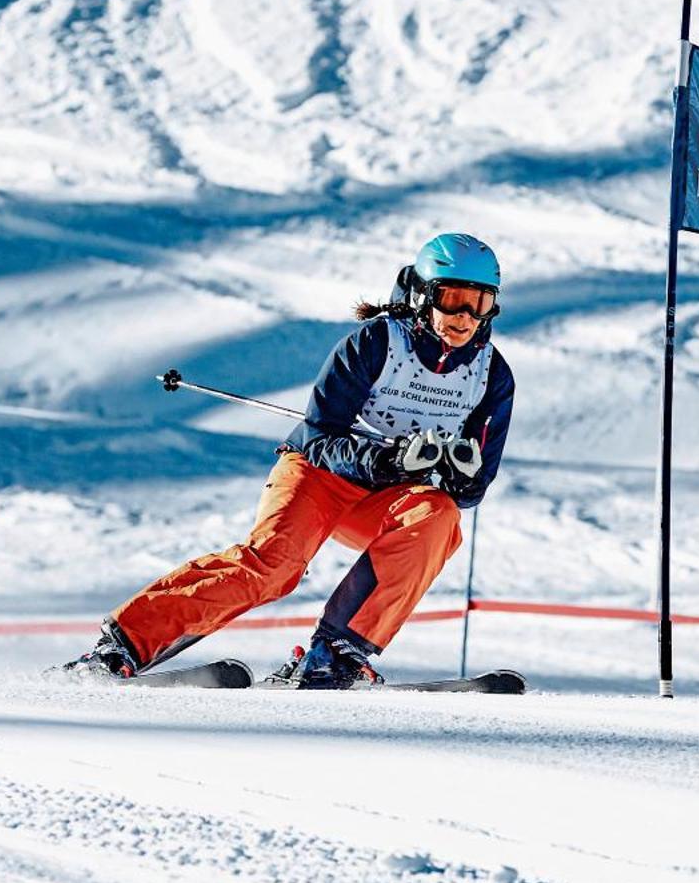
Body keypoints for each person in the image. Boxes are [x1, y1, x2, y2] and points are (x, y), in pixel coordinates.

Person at [66, 232, 516, 689]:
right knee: (274, 567)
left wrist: (461, 475)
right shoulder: (375, 344)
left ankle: (337, 652)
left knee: (439, 515)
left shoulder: (491, 376)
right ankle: (123, 645)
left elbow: (475, 485)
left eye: (478, 303)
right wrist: (387, 459)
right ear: (422, 294)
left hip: (389, 499)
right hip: (319, 475)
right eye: (451, 298)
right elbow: (321, 437)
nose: (463, 316)